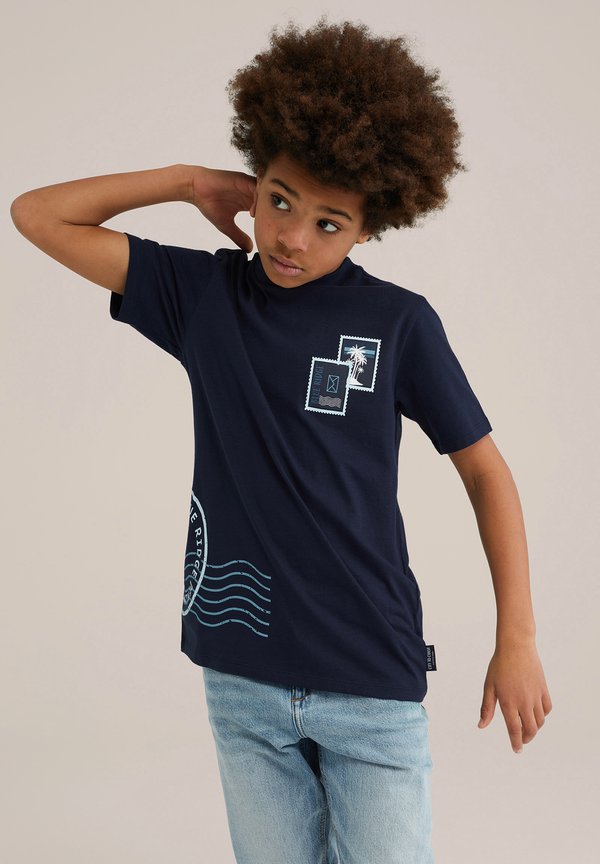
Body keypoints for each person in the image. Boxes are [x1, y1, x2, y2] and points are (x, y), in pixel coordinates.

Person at [10, 17, 552, 864]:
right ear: (254, 184)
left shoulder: (399, 324)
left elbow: (485, 470)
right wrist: (188, 182)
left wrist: (516, 637)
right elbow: (37, 215)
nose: (292, 237)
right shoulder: (203, 296)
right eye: (279, 200)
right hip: (243, 678)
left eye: (330, 222)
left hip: (370, 681)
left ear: (370, 227)